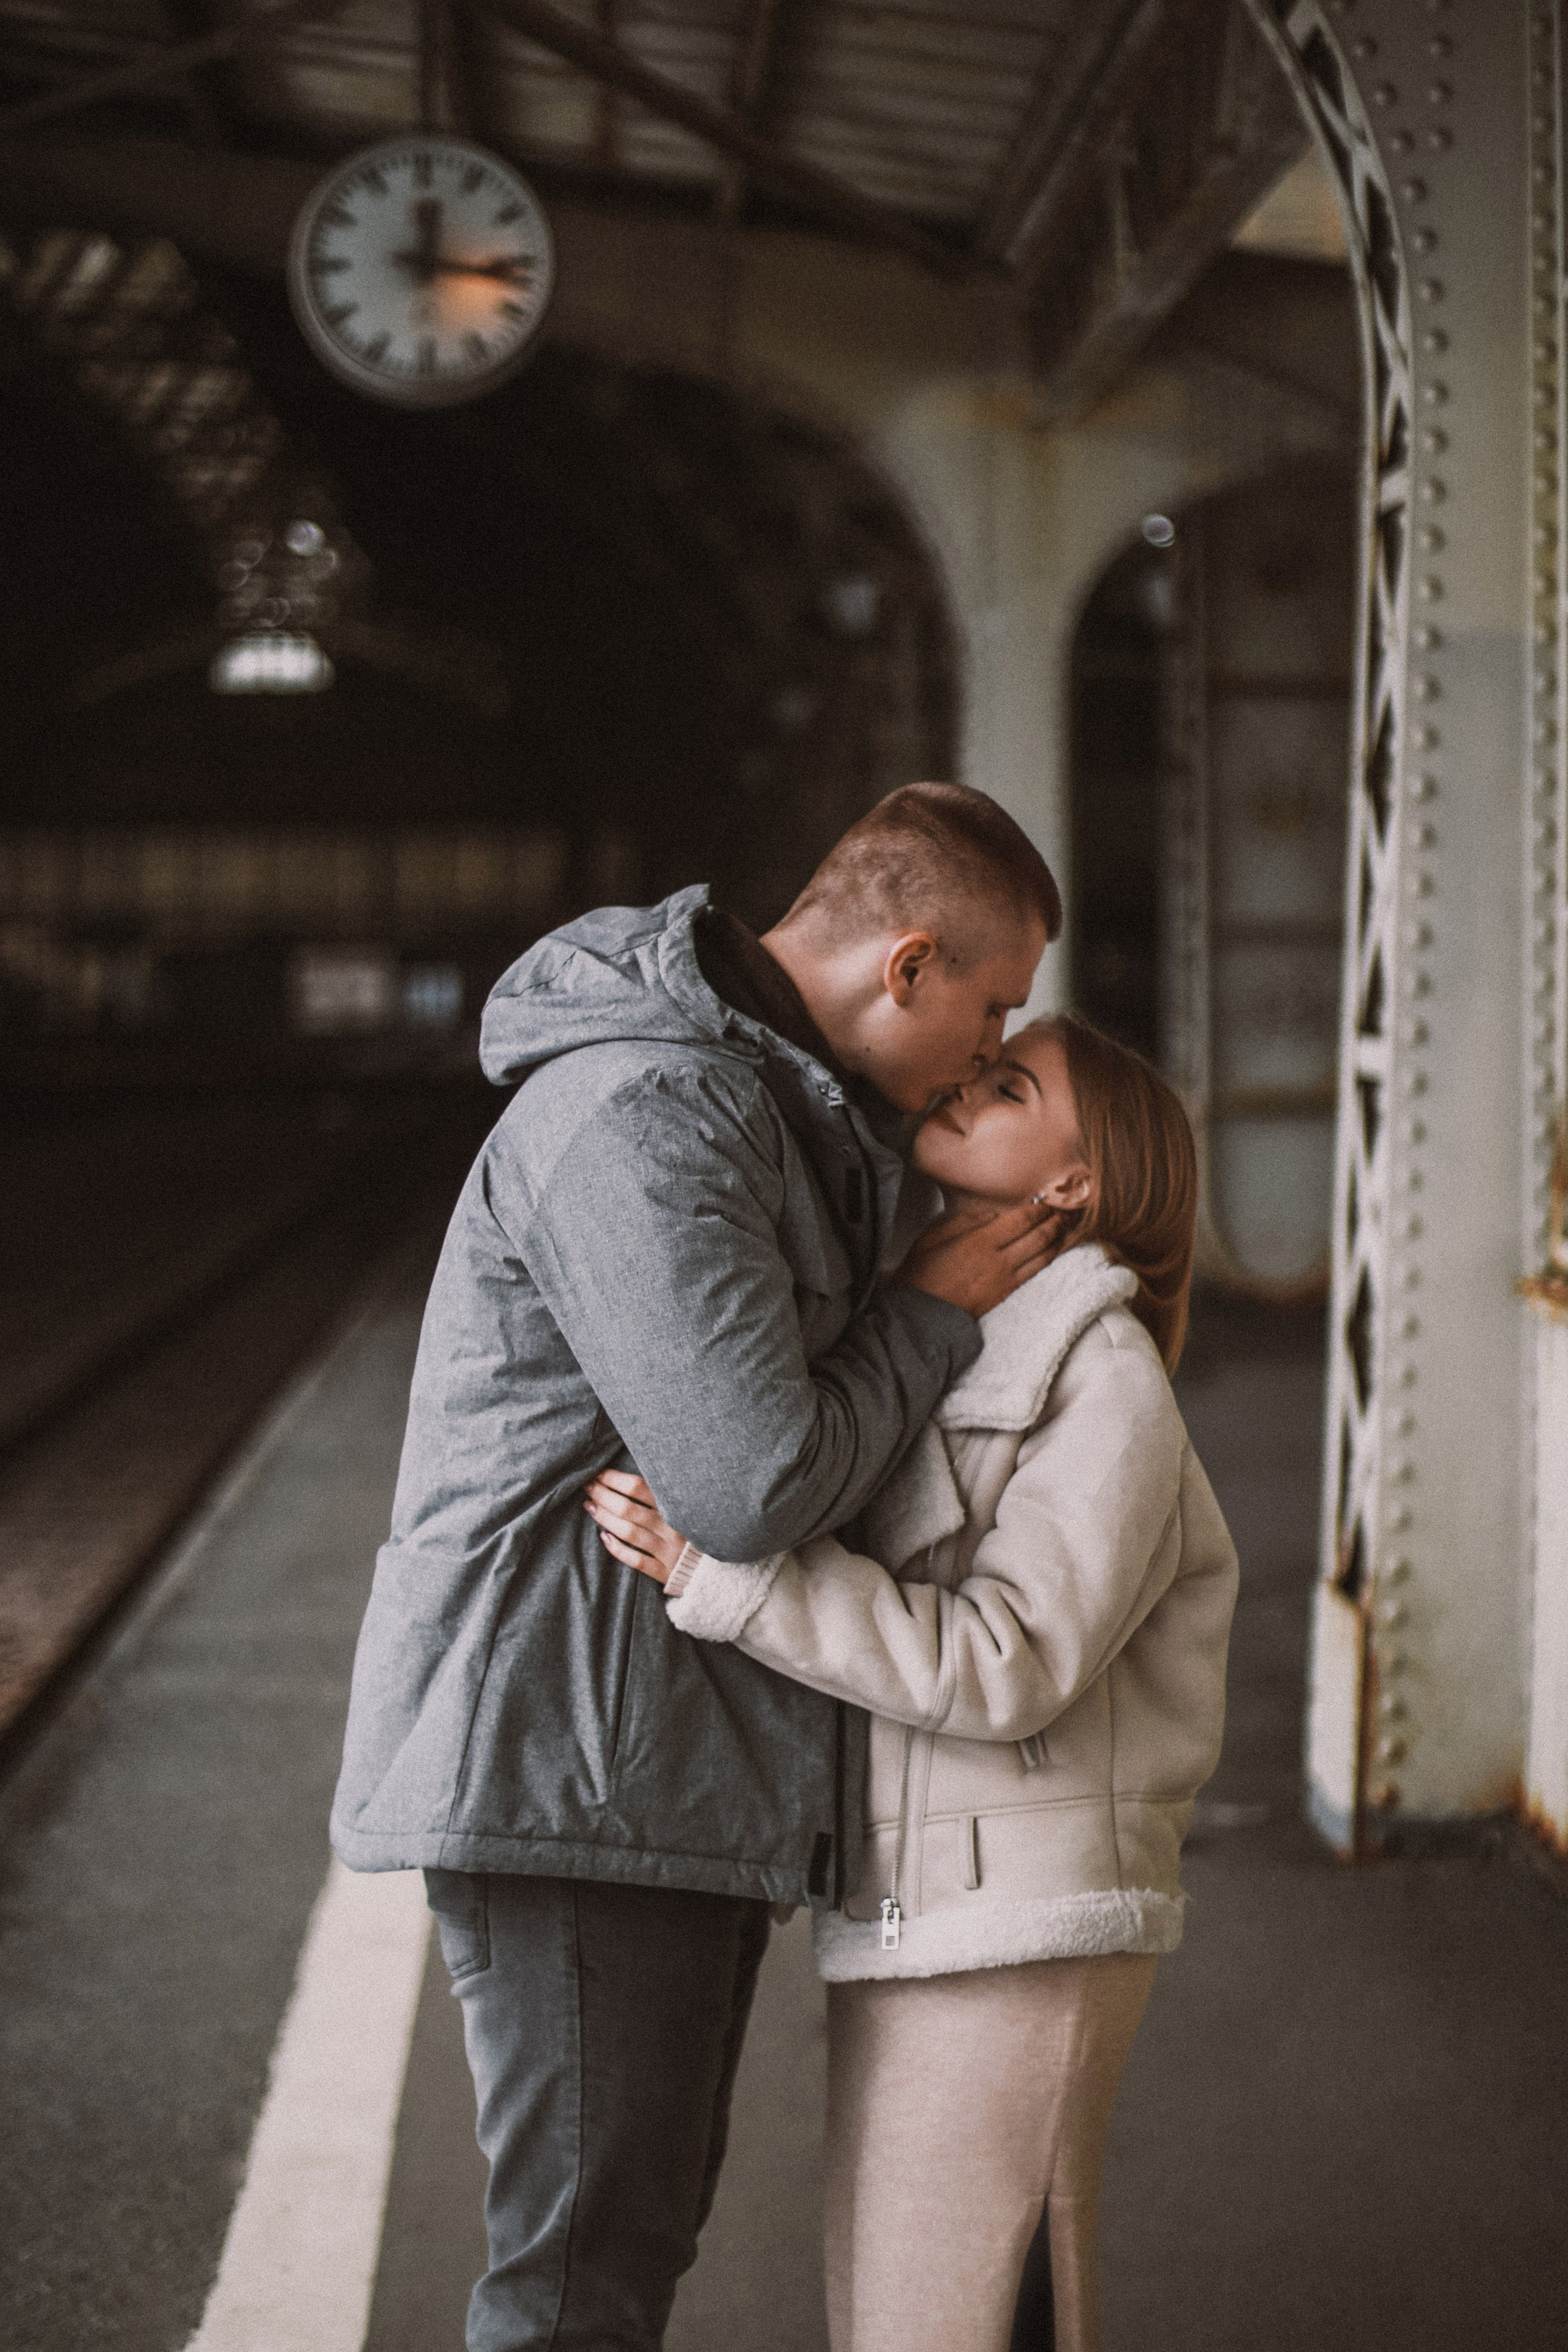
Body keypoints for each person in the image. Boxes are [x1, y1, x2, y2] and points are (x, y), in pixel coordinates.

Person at [330, 783, 1065, 2351]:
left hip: (651, 1767)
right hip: (577, 1773)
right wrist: (932, 1302)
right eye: (992, 1004)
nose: (992, 1046)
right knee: (577, 2285)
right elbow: (750, 1482)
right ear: (909, 962)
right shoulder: (649, 1115)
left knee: (619, 2256)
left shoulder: (772, 1109)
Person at [586, 1013, 1240, 2352]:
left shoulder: (1101, 1376)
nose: (965, 1085)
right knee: (898, 2309)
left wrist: (739, 1585)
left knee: (956, 2315)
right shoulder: (945, 1332)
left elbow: (1008, 1661)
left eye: (1007, 1089)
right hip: (925, 1906)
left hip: (1028, 1922)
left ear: (1073, 1186)